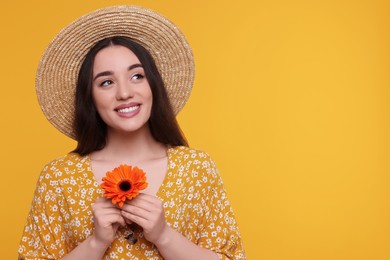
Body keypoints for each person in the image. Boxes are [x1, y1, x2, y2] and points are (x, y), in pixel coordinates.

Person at [18, 5, 245, 260]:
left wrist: (164, 235)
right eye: (106, 82)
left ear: (153, 85)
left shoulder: (196, 169)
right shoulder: (59, 178)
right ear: (90, 97)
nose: (124, 93)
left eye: (137, 76)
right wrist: (95, 243)